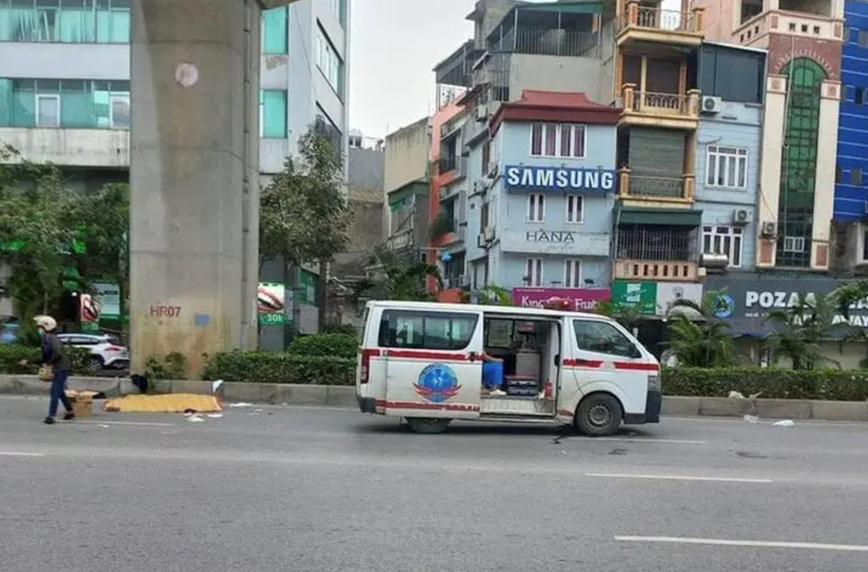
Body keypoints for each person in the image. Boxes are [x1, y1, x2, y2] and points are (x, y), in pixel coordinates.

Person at [22, 316, 75, 424]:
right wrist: (29, 360)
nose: (39, 330)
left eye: (40, 327)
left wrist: (48, 363)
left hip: (60, 368)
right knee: (58, 391)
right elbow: (44, 355)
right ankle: (70, 411)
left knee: (55, 391)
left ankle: (51, 416)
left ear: (46, 326)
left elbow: (57, 354)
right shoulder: (46, 338)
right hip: (56, 367)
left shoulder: (52, 338)